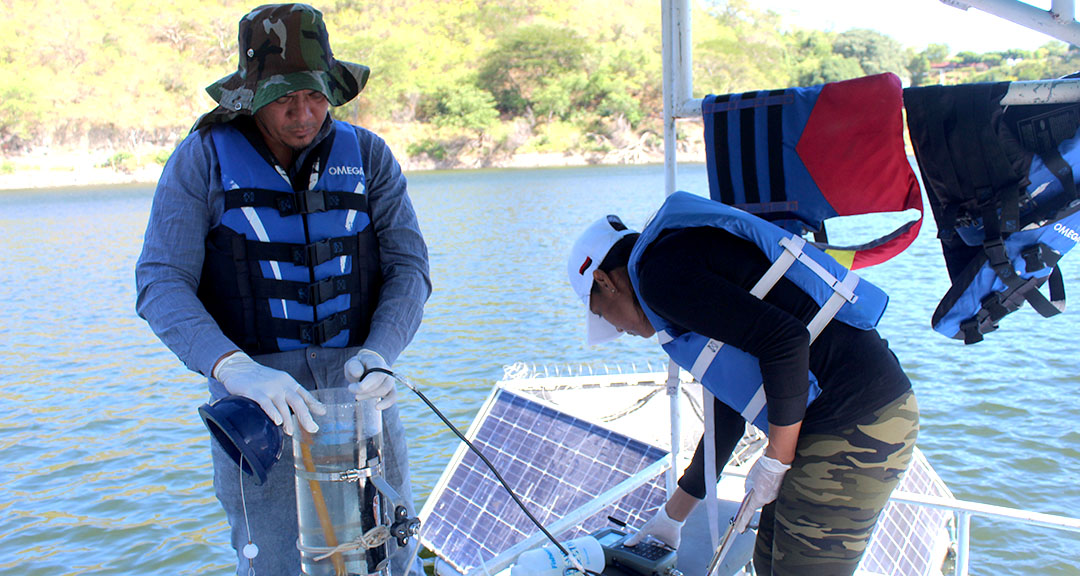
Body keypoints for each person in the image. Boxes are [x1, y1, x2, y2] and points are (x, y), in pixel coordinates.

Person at [135, 4, 431, 575]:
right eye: (284, 99)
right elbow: (159, 283)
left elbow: (410, 268)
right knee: (275, 560)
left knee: (390, 552)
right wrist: (232, 368)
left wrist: (380, 353)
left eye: (315, 96)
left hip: (362, 390)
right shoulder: (201, 160)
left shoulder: (369, 155)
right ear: (249, 96)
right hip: (258, 404)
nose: (304, 114)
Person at [566, 191, 919, 576]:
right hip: (848, 416)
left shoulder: (659, 278)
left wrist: (776, 460)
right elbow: (729, 410)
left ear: (604, 280)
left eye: (603, 314)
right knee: (767, 565)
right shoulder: (671, 262)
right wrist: (673, 518)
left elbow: (786, 341)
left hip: (856, 420)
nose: (618, 329)